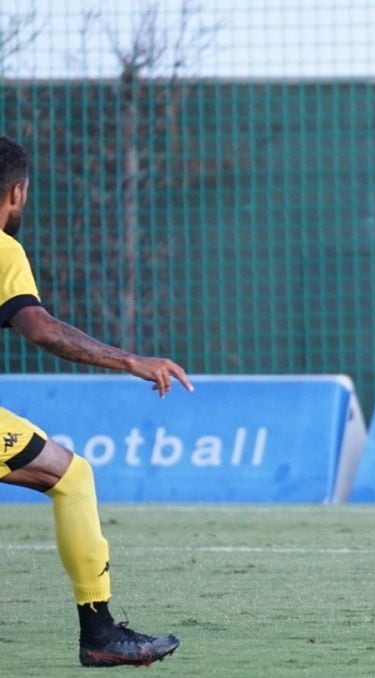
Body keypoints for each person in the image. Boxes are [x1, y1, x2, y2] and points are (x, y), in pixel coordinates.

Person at [0, 136, 193, 667]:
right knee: (72, 477)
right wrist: (131, 361)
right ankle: (100, 633)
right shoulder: (3, 248)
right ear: (17, 192)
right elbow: (39, 327)